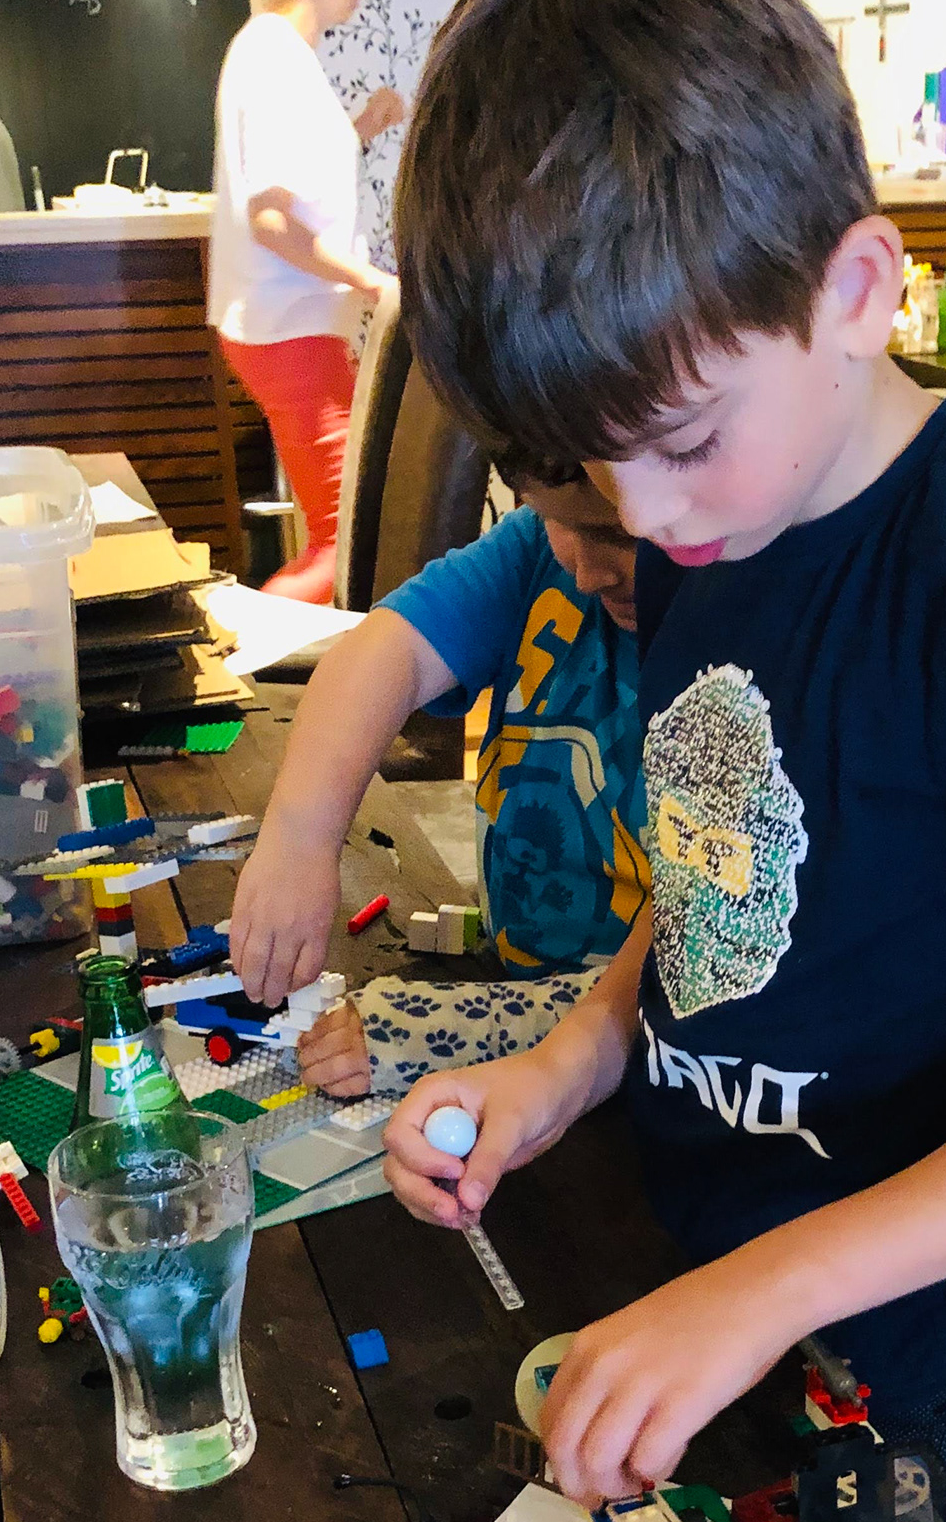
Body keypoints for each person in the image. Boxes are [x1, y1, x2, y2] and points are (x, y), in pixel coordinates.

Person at [377, 0, 946, 1522]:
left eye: (684, 438)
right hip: (704, 1241)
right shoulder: (713, 525)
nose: (641, 515)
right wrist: (571, 1060)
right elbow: (716, 883)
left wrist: (770, 1289)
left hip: (917, 1318)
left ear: (857, 288)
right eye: (594, 462)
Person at [230, 469, 647, 1099]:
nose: (588, 573)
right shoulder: (536, 551)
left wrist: (471, 1028)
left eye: (618, 534)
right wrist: (299, 837)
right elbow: (386, 651)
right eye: (556, 519)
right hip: (515, 980)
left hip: (643, 1055)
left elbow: (693, 964)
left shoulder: (746, 631)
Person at [209, 0, 406, 606]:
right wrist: (370, 280)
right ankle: (233, 655)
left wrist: (362, 128)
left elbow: (294, 183)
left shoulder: (275, 51)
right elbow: (271, 222)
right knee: (345, 541)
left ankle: (246, 651)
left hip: (290, 327)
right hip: (292, 329)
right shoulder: (274, 58)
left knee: (343, 533)